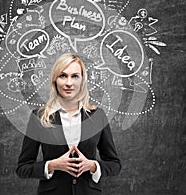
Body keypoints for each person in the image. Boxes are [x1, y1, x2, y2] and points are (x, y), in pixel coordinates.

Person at [16, 53, 121, 194]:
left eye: (75, 76)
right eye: (63, 76)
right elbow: (22, 168)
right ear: (55, 80)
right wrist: (52, 165)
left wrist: (92, 166)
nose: (69, 83)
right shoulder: (39, 117)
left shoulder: (98, 116)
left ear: (82, 80)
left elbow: (115, 165)